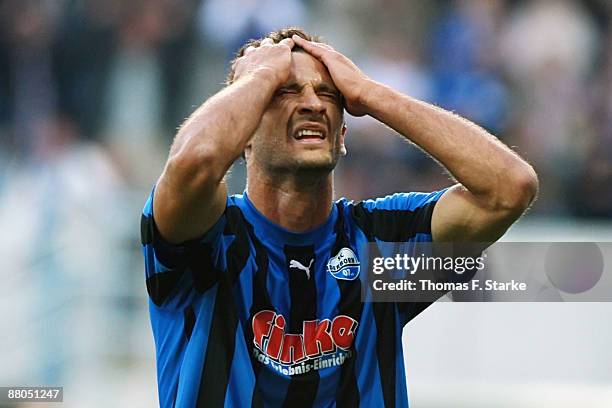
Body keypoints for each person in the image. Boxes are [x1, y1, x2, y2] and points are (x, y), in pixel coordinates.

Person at [140, 27, 538, 407]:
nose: (313, 103)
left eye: (329, 94)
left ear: (343, 135)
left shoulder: (378, 247)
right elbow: (196, 162)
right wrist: (260, 75)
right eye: (284, 91)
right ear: (242, 133)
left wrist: (369, 93)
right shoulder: (209, 237)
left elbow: (509, 187)